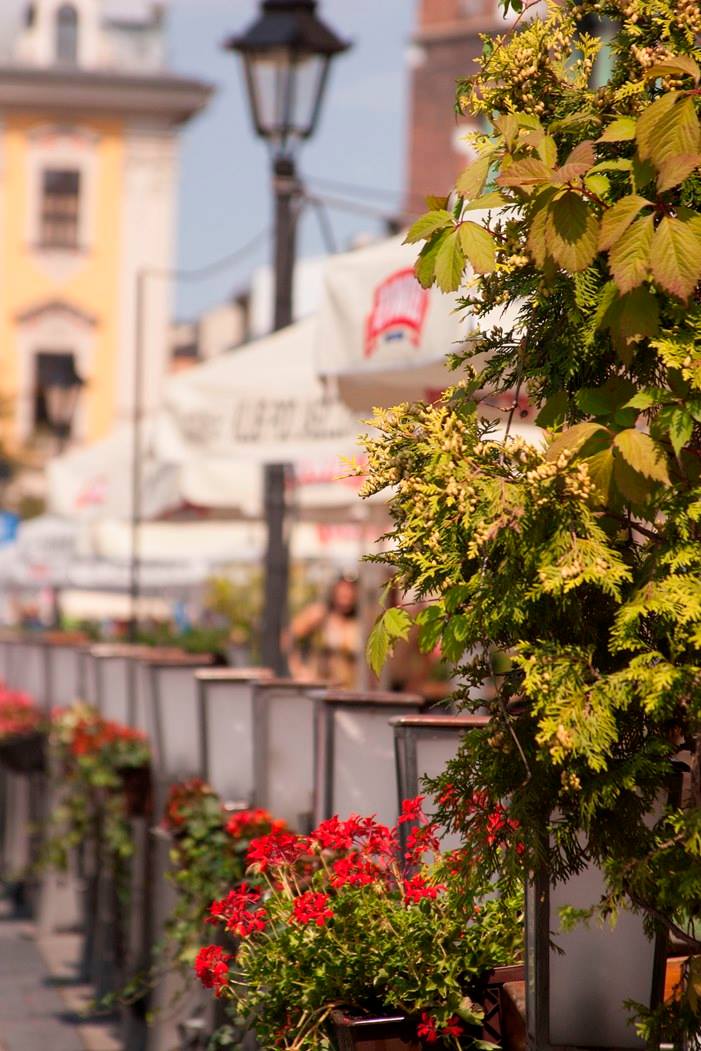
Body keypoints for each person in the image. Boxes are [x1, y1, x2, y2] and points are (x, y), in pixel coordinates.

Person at [287, 575, 360, 689]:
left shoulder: (360, 622)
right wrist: (298, 670)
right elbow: (289, 635)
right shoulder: (321, 614)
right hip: (320, 690)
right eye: (344, 587)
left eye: (352, 588)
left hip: (349, 691)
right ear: (335, 588)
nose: (347, 593)